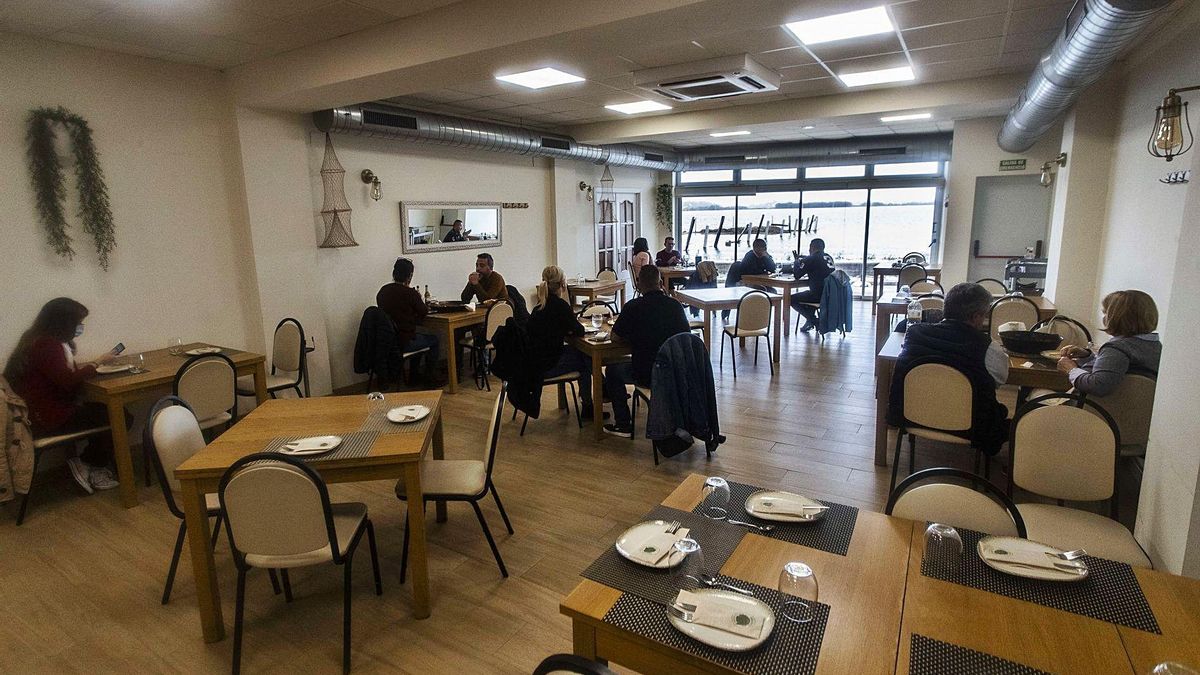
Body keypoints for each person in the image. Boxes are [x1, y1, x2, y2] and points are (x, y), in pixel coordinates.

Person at [3, 298, 121, 493]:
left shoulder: (38, 340)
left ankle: (91, 464)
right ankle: (89, 463)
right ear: (64, 323)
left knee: (107, 413)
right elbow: (68, 381)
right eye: (78, 323)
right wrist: (97, 363)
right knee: (118, 415)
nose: (80, 327)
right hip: (49, 419)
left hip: (42, 414)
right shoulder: (47, 345)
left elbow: (61, 377)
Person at [888, 283, 1010, 456]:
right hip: (971, 426)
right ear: (976, 317)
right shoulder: (987, 347)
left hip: (912, 416)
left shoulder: (914, 333)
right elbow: (1000, 379)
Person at [604, 265, 690, 437]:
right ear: (660, 282)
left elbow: (615, 338)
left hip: (647, 373)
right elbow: (685, 337)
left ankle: (623, 424)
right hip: (675, 371)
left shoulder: (633, 307)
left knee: (612, 370)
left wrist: (634, 336)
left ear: (639, 283)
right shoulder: (675, 306)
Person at [1057, 290, 1160, 396]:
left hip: (1090, 408)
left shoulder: (1117, 348)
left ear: (1116, 317)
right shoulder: (1156, 346)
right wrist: (1087, 356)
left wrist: (1071, 370)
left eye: (1105, 313)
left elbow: (1098, 385)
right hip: (1133, 409)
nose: (1104, 317)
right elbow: (1112, 368)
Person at [527, 266, 597, 417]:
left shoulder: (538, 307)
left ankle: (601, 391)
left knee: (581, 355)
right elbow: (579, 330)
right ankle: (590, 404)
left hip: (534, 363)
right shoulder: (560, 306)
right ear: (562, 284)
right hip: (548, 365)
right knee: (586, 359)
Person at [376, 258, 438, 382]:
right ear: (409, 276)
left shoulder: (383, 291)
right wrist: (418, 298)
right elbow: (424, 311)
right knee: (434, 340)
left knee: (418, 336)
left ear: (394, 273)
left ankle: (414, 375)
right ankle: (429, 377)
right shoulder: (410, 293)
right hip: (404, 340)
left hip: (387, 341)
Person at [722, 238, 775, 320]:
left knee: (773, 291)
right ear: (755, 248)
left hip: (757, 282)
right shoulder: (749, 256)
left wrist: (768, 257)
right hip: (743, 283)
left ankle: (763, 315)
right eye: (762, 248)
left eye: (765, 248)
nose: (764, 250)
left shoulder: (764, 257)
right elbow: (751, 271)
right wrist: (763, 271)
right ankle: (754, 314)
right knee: (763, 289)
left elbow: (773, 268)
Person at [790, 238, 834, 332]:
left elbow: (797, 275)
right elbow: (817, 264)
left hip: (818, 296)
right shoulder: (829, 257)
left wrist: (797, 261)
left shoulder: (810, 259)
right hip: (830, 295)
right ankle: (811, 321)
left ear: (811, 247)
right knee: (807, 295)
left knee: (790, 299)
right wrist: (805, 259)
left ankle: (815, 321)